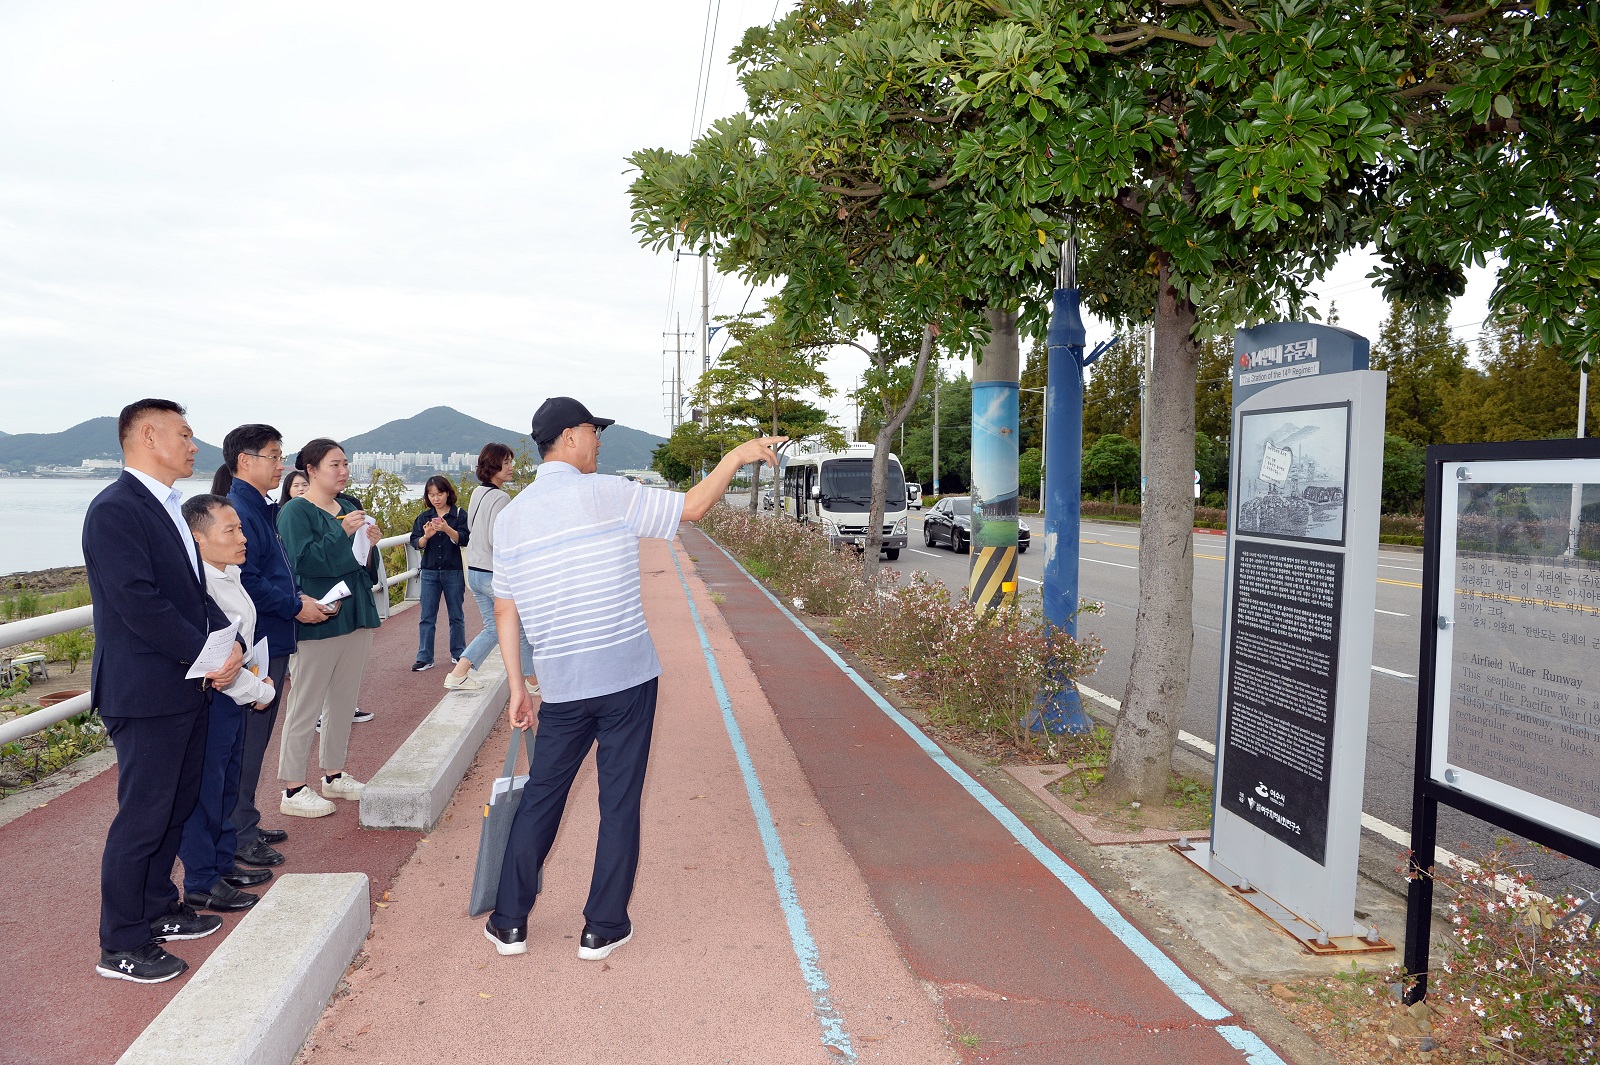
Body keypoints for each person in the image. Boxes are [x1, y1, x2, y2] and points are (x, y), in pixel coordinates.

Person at [483, 396, 783, 961]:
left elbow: (505, 610)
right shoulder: (610, 493)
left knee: (542, 798)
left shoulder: (513, 517)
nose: (599, 441)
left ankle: (509, 923)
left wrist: (519, 687)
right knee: (618, 801)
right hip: (625, 677)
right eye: (594, 432)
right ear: (570, 437)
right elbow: (692, 508)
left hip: (564, 684)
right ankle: (602, 926)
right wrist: (740, 454)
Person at [83, 398, 244, 983]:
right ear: (148, 436)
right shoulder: (116, 510)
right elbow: (138, 603)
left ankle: (158, 908)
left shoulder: (171, 506)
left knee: (175, 806)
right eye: (185, 433)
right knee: (143, 817)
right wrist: (208, 656)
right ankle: (121, 943)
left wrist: (230, 646)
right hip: (146, 692)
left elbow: (191, 595)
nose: (194, 445)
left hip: (185, 686)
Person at [212, 425, 333, 868]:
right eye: (273, 456)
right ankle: (239, 833)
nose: (281, 465)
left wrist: (294, 599)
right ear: (246, 461)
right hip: (260, 639)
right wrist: (294, 604)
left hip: (270, 635)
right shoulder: (240, 508)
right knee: (247, 740)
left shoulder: (257, 507)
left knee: (253, 740)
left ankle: (244, 819)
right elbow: (247, 579)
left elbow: (270, 570)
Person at [175, 495, 280, 913]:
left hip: (236, 694)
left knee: (223, 786)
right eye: (231, 530)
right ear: (198, 539)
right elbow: (218, 661)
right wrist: (261, 691)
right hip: (217, 698)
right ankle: (202, 879)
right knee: (206, 791)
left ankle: (220, 866)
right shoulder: (200, 585)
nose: (243, 537)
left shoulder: (229, 573)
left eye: (240, 527)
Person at [275, 438, 383, 818]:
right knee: (305, 703)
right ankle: (292, 788)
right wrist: (342, 533)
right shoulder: (295, 512)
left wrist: (369, 544)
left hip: (355, 614)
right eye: (334, 464)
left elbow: (364, 567)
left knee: (343, 701)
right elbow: (302, 563)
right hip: (317, 618)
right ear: (312, 469)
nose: (343, 471)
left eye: (345, 464)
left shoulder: (351, 506)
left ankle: (334, 774)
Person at [442, 445, 537, 694]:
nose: (511, 467)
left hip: (474, 571)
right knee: (521, 627)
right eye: (506, 463)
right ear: (494, 466)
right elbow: (498, 539)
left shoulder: (478, 492)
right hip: (493, 574)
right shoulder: (501, 497)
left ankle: (458, 674)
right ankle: (533, 682)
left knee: (493, 628)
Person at [408, 475, 470, 673]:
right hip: (430, 571)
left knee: (456, 615)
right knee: (427, 616)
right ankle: (425, 657)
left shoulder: (459, 515)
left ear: (447, 493)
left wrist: (446, 528)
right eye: (431, 494)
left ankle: (459, 653)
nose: (436, 498)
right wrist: (426, 537)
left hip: (454, 571)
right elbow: (415, 542)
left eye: (440, 494)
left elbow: (465, 539)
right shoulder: (424, 518)